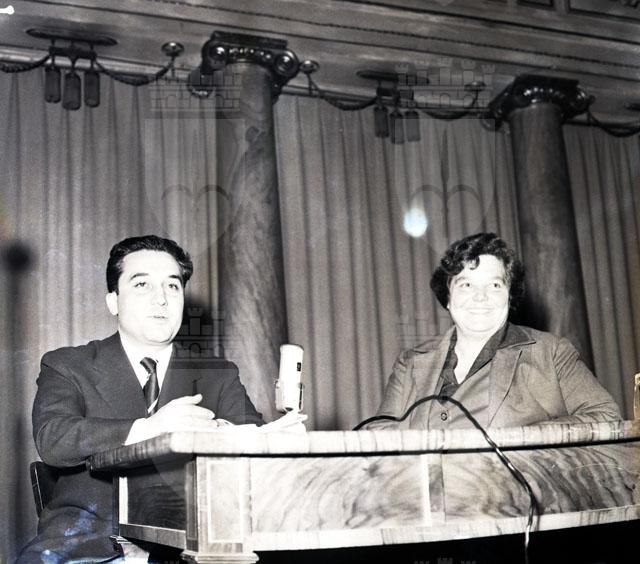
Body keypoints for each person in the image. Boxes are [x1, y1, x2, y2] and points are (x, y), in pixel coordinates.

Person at [18, 235, 264, 562]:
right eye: (142, 285)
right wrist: (149, 428)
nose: (161, 299)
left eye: (172, 286)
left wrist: (224, 432)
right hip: (88, 543)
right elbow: (53, 438)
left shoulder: (218, 375)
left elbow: (259, 455)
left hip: (192, 545)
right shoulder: (68, 365)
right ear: (114, 302)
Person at [368, 232, 621, 430]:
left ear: (509, 297)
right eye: (466, 285)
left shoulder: (551, 353)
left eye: (495, 285)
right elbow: (379, 433)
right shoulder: (410, 362)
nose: (481, 296)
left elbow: (606, 416)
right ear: (448, 298)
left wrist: (524, 440)